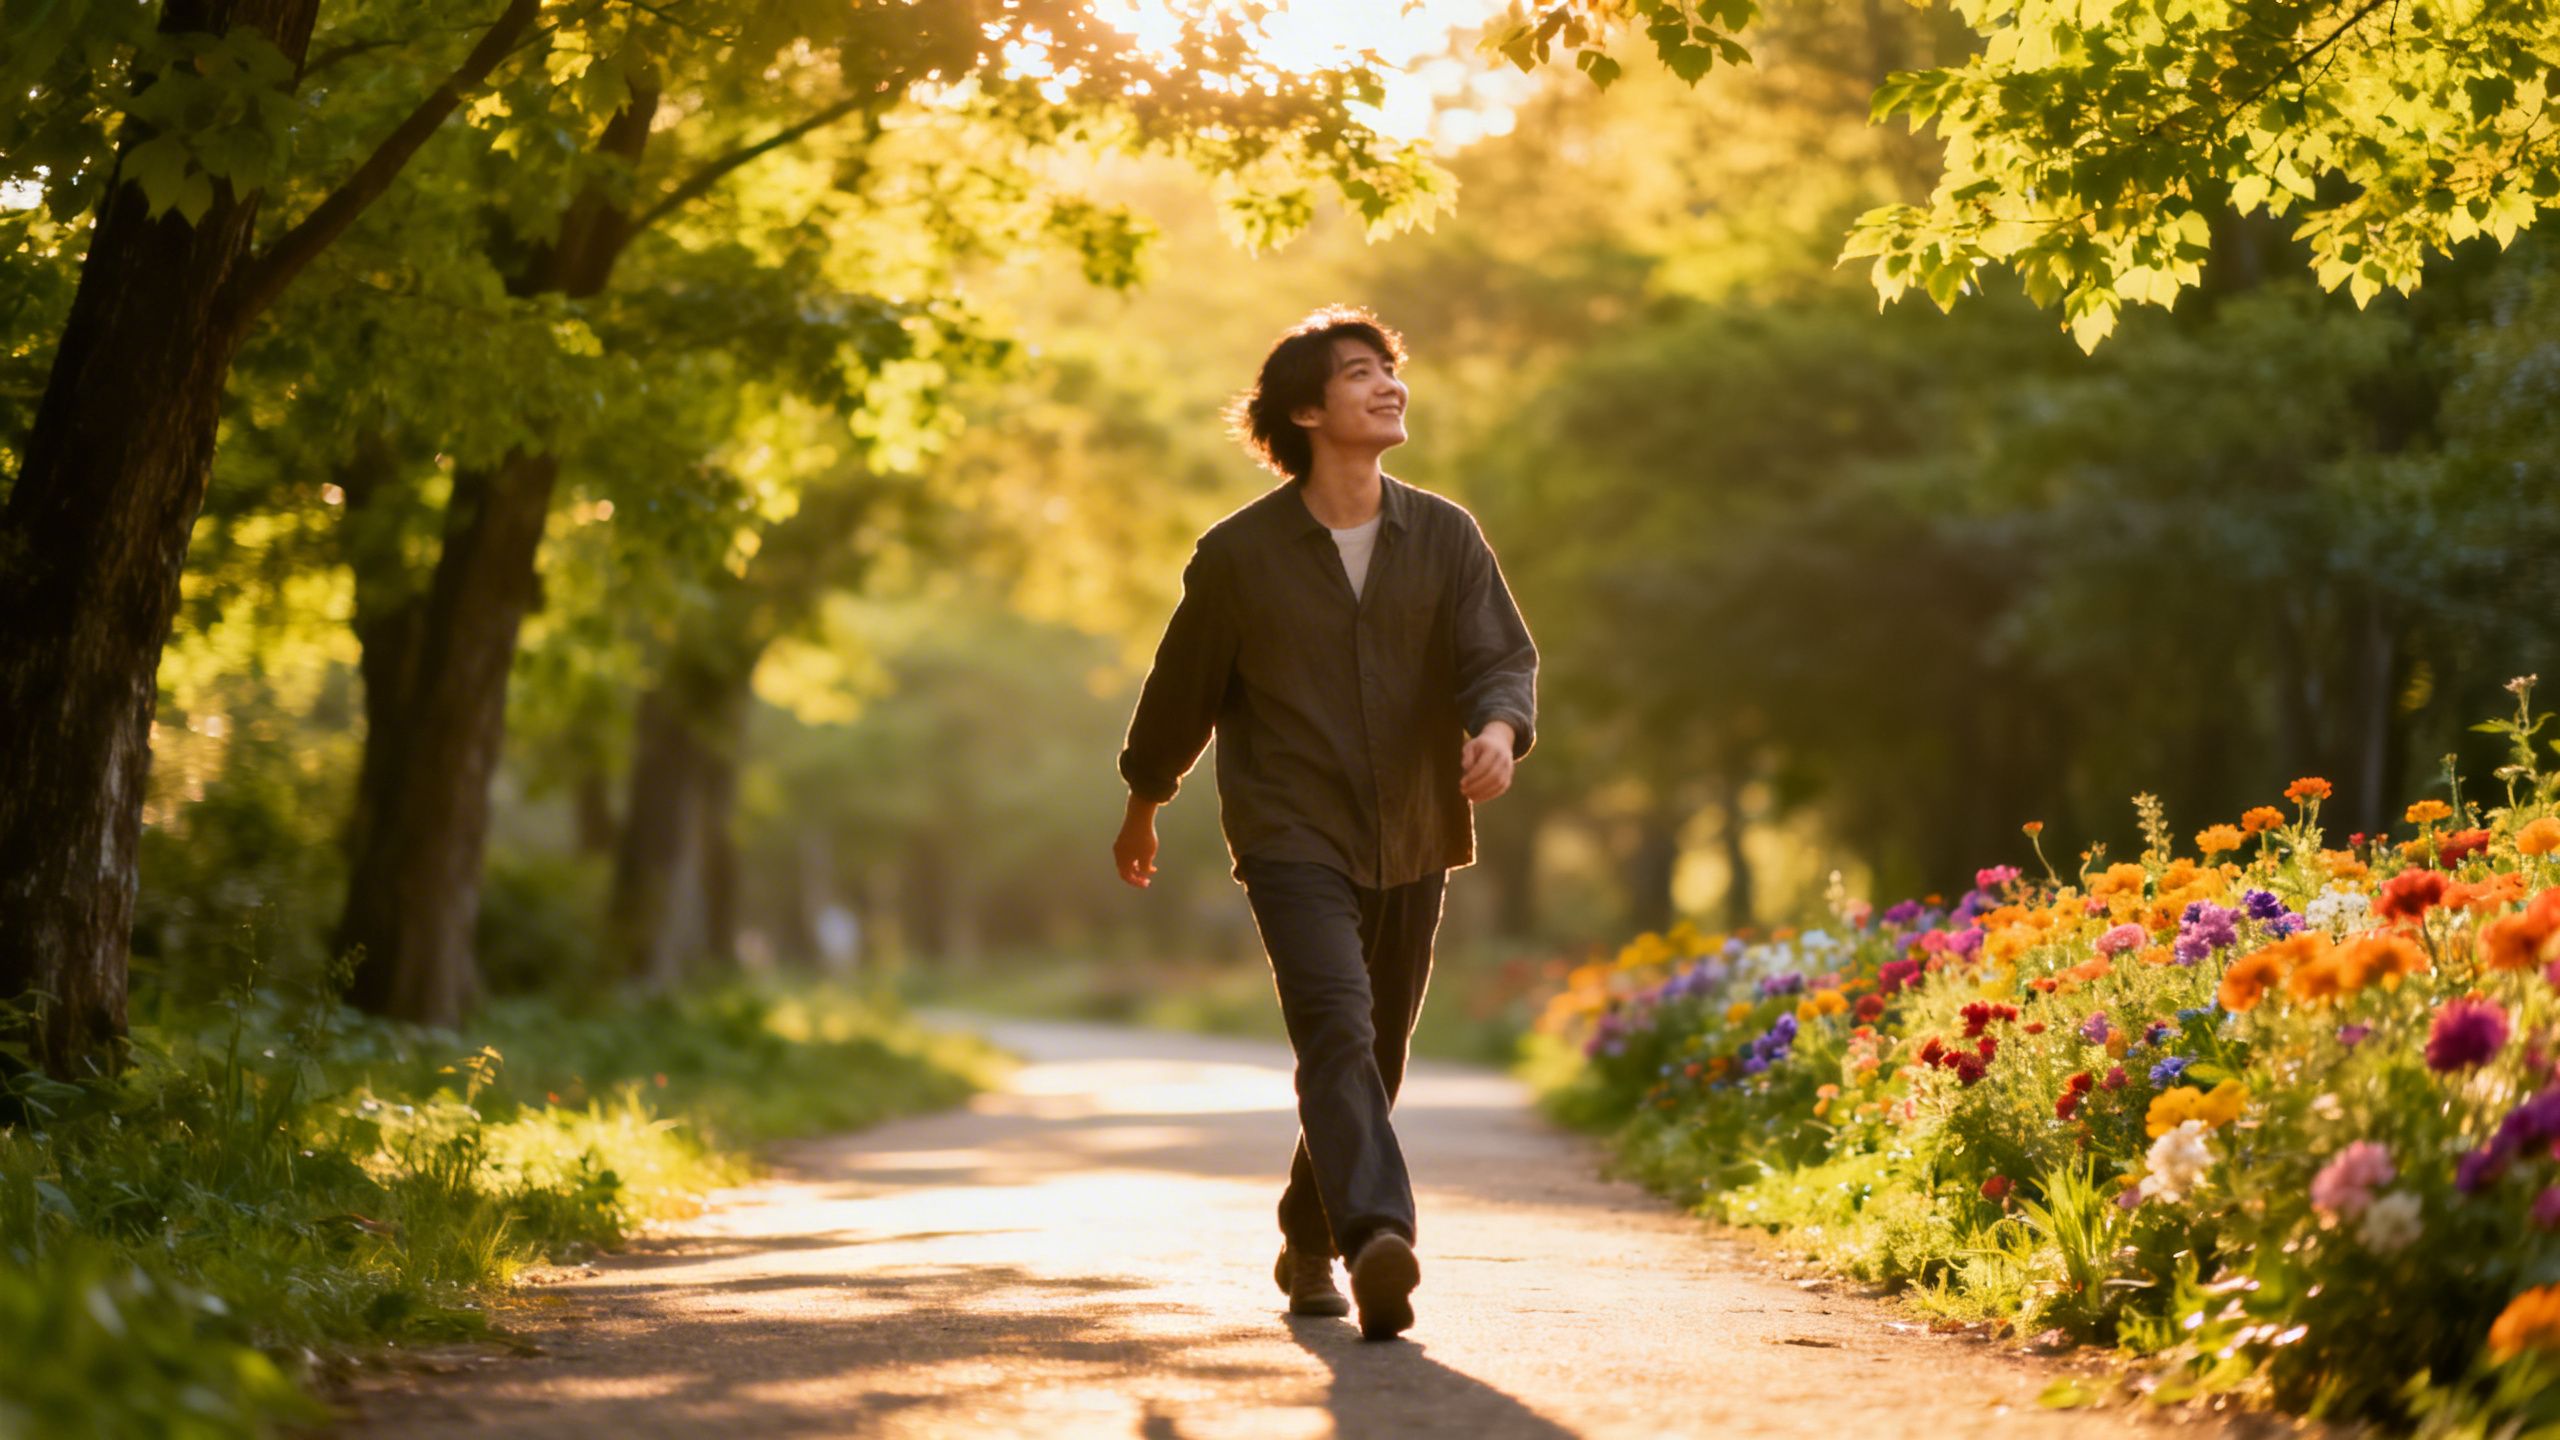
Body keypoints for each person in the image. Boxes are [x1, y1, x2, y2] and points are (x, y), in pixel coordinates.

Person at [1111, 305, 1538, 1341]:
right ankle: (1377, 1235)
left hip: (1412, 826)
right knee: (1337, 1030)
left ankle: (1307, 1231)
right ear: (1305, 410)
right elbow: (1183, 690)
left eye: (1390, 369)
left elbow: (1498, 656)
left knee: (1376, 1051)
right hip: (1289, 830)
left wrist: (1494, 729)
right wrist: (1145, 802)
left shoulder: (1442, 533)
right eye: (1360, 373)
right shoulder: (1239, 556)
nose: (1389, 385)